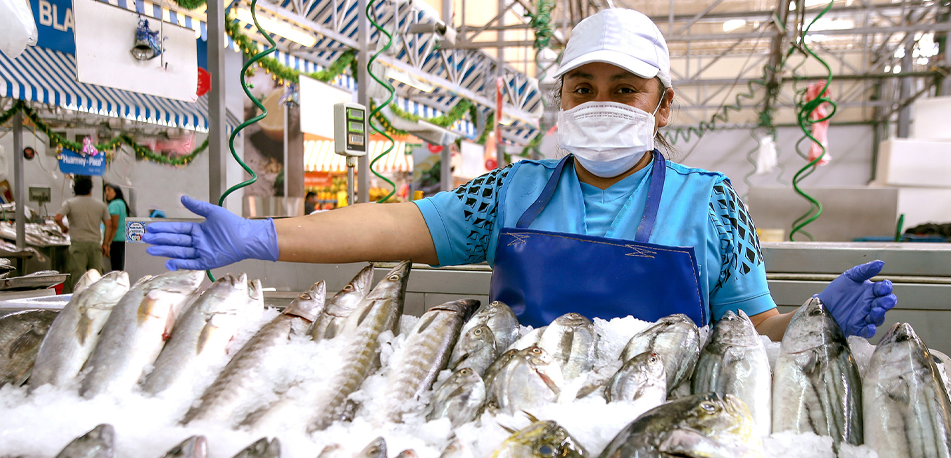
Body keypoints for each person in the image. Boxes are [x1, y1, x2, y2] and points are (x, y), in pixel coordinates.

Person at [143, 8, 897, 341]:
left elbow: (753, 328)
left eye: (624, 89)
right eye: (582, 88)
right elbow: (393, 225)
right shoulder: (513, 189)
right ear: (561, 98)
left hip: (655, 425)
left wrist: (810, 322)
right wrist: (260, 236)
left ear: (661, 104)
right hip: (513, 414)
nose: (600, 104)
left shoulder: (712, 205)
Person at [55, 175, 110, 293]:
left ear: (75, 190)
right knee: (97, 278)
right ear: (90, 190)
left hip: (78, 245)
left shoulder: (70, 203)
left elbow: (58, 217)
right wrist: (105, 244)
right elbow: (108, 224)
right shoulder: (100, 205)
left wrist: (64, 228)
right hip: (95, 245)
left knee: (77, 278)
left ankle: (77, 303)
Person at [103, 183, 131, 271]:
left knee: (116, 270)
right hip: (122, 239)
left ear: (116, 191)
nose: (106, 193)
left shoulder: (114, 205)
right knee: (120, 268)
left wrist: (108, 243)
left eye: (109, 190)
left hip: (115, 241)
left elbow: (113, 226)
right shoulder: (122, 203)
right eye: (105, 191)